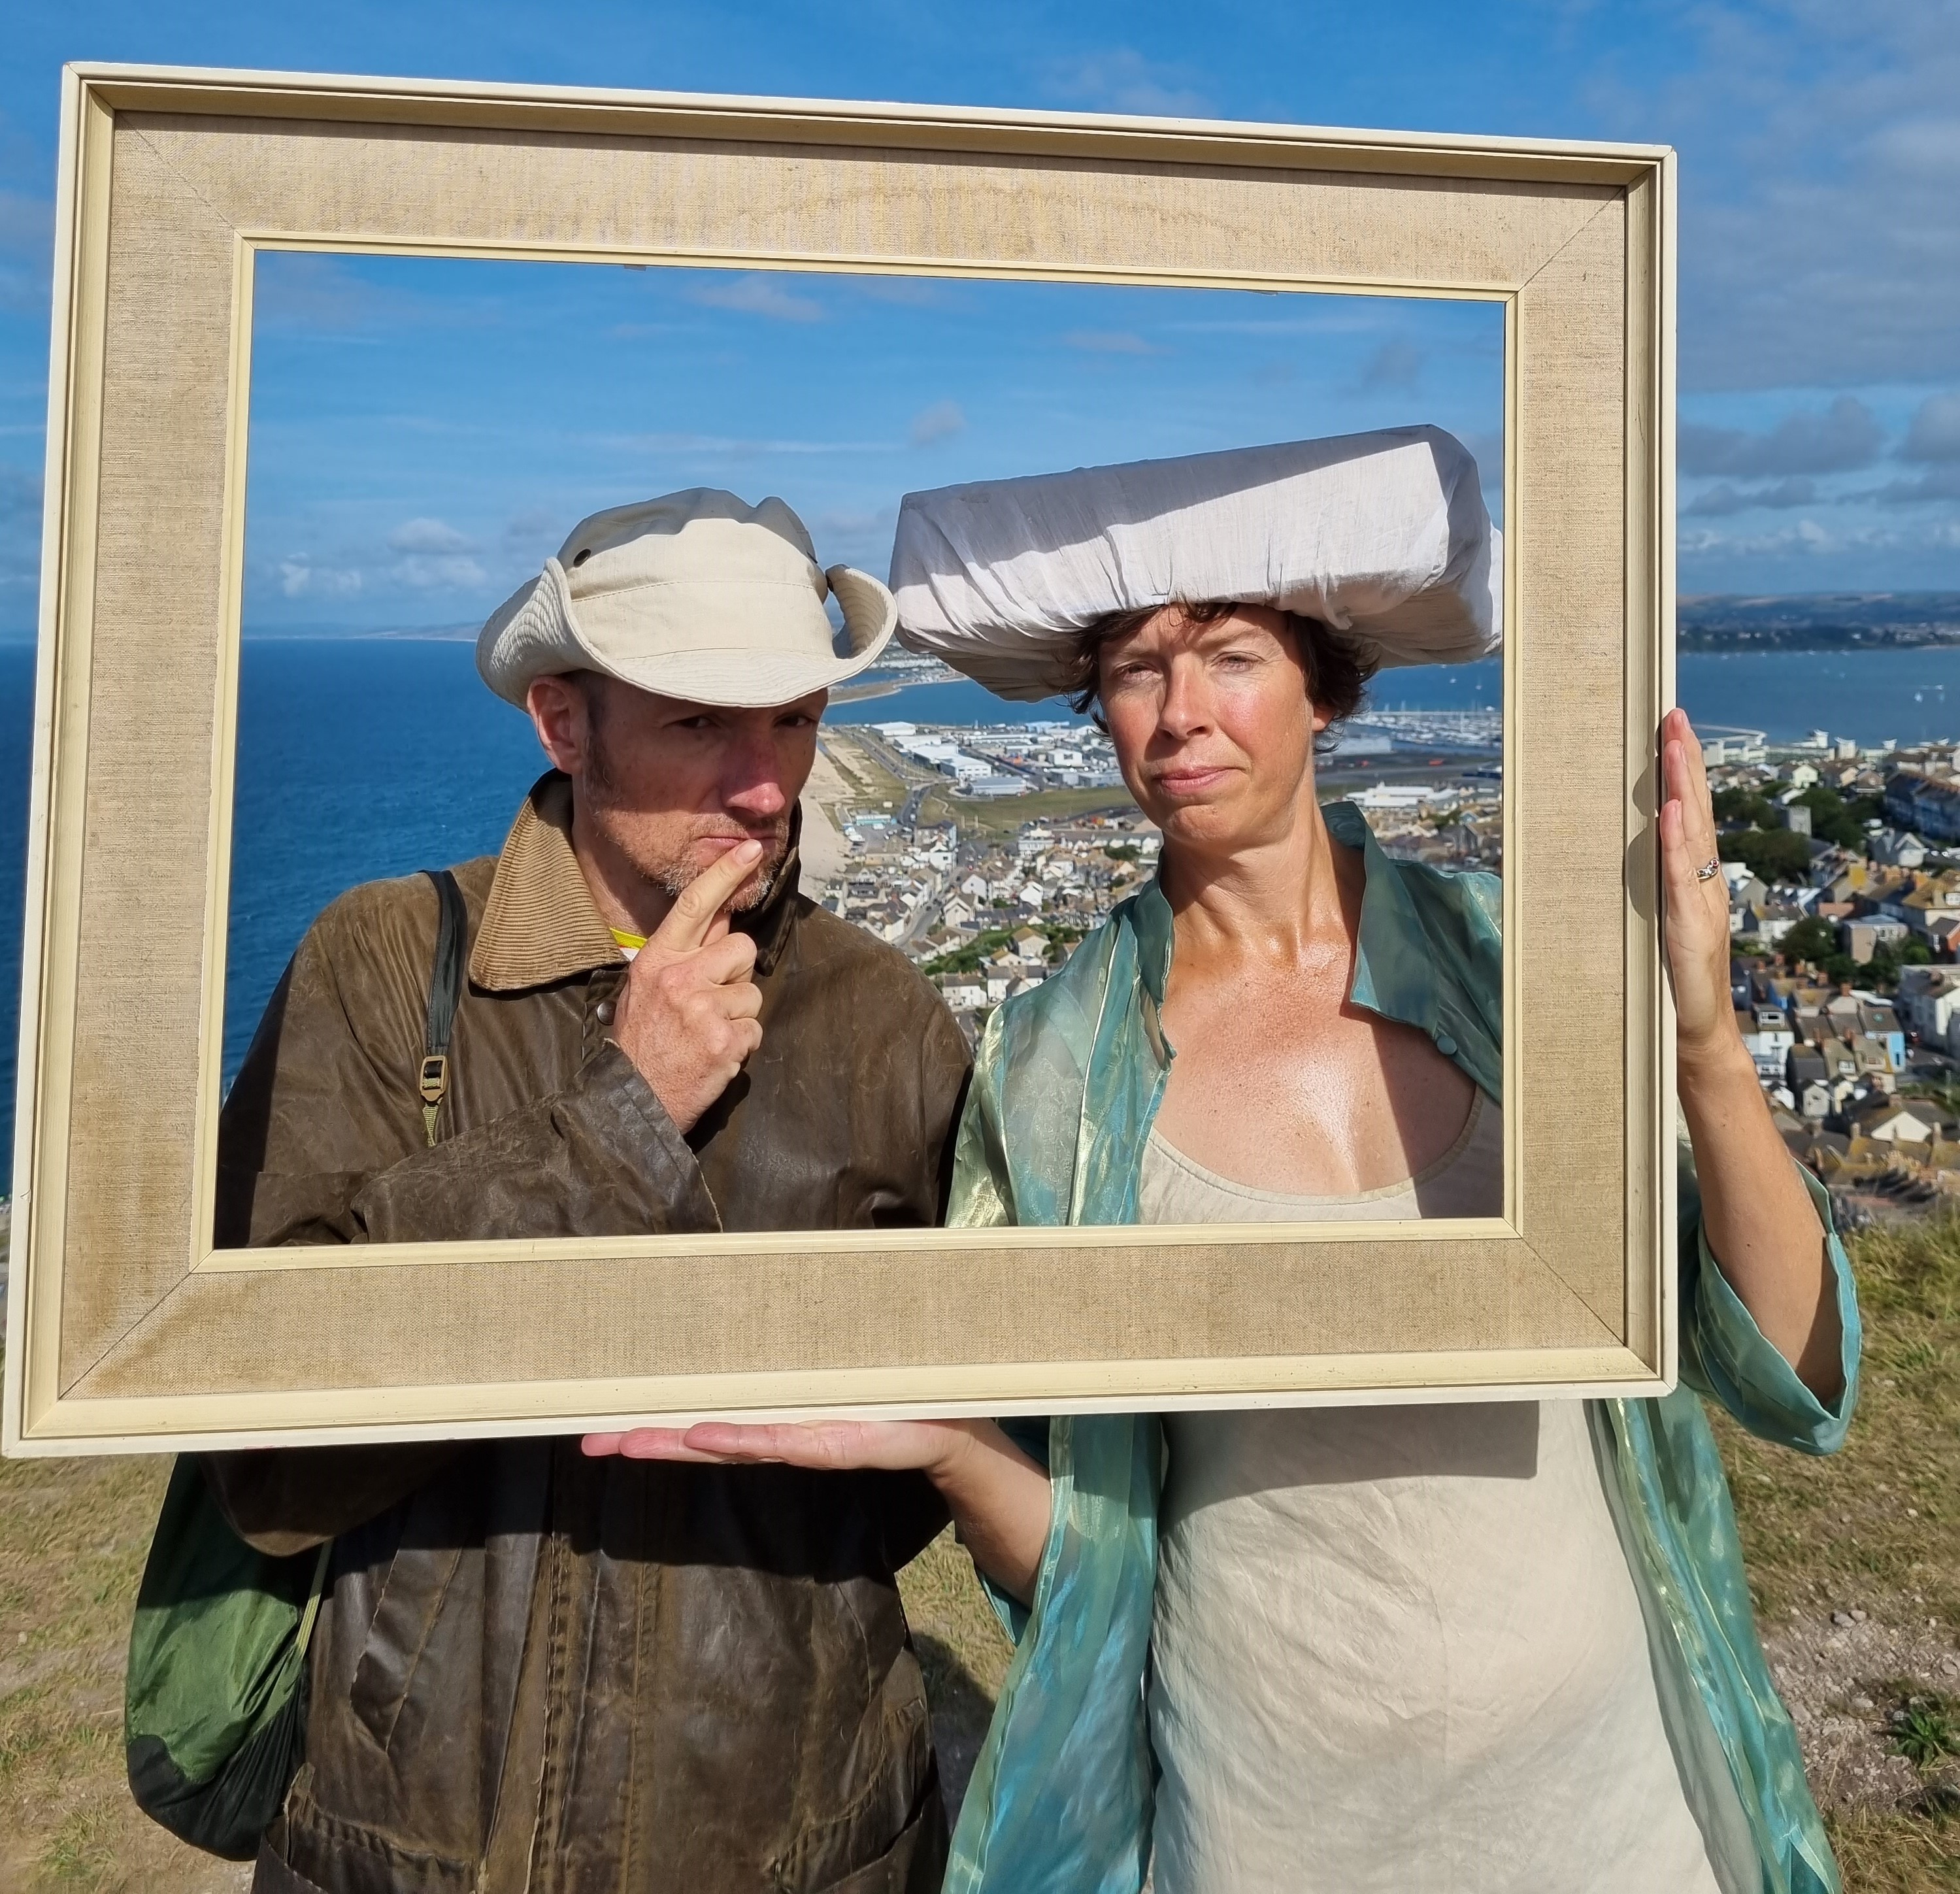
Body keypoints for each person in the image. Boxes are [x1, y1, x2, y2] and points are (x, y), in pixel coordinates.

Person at [613, 435, 1859, 1894]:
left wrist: (1704, 1042)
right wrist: (950, 1445)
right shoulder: (1052, 1064)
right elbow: (1083, 1561)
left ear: (1327, 688)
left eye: (1233, 657)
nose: (1180, 716)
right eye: (1135, 671)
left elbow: (1792, 1374)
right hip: (1266, 1824)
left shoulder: (1523, 966)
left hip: (1613, 1805)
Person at [199, 490, 974, 1894]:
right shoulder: (380, 968)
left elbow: (924, 1450)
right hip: (420, 1841)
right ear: (564, 723)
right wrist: (623, 1114)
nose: (767, 785)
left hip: (806, 1842)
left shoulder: (886, 1017)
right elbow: (268, 1462)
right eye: (699, 724)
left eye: (795, 719)